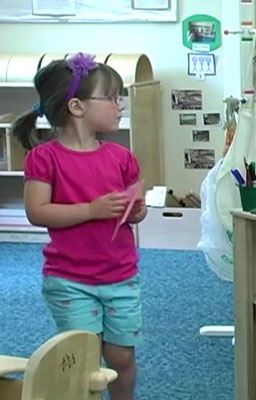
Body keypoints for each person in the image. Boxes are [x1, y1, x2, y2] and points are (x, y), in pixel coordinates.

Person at [11, 52, 146, 400]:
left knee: (121, 357)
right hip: (70, 279)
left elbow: (135, 210)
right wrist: (91, 209)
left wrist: (135, 211)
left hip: (120, 275)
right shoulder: (44, 158)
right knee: (84, 360)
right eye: (112, 98)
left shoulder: (121, 157)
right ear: (76, 107)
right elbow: (37, 212)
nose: (120, 106)